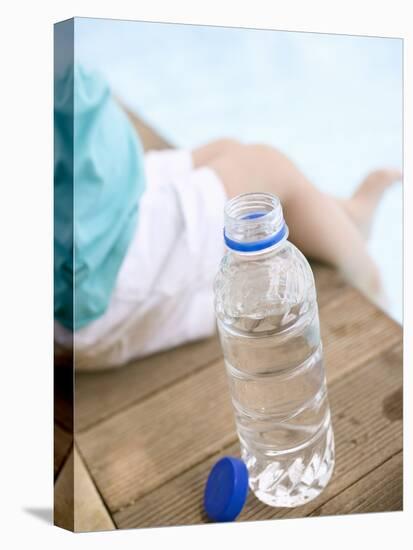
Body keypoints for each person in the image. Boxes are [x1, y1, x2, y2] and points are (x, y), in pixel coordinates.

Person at [54, 66, 401, 370]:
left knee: (227, 150)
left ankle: (348, 219)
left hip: (103, 203)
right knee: (267, 169)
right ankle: (370, 282)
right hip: (99, 276)